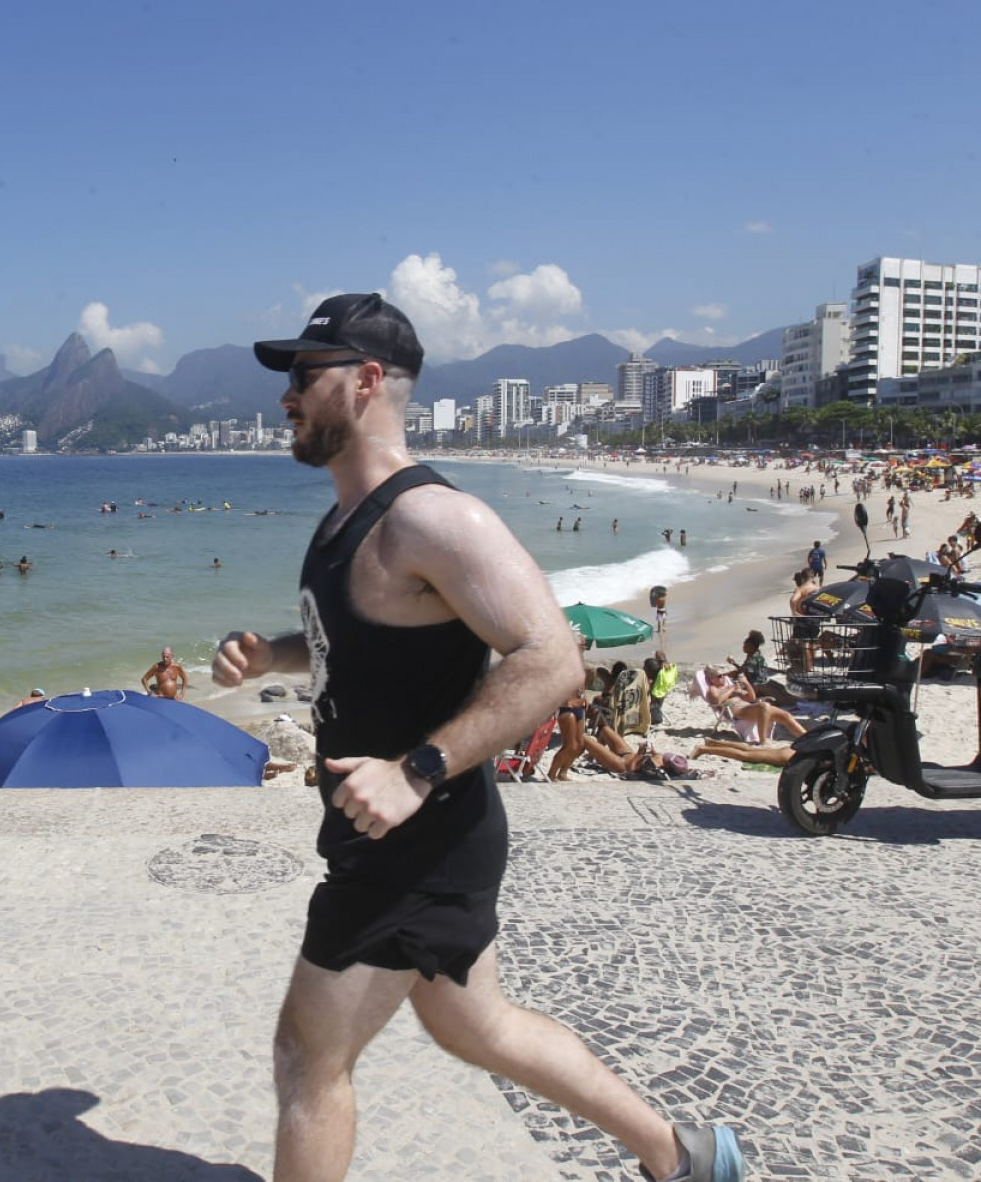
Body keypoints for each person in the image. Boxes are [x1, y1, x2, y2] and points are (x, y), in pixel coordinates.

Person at [212, 294, 743, 1182]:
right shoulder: (349, 518)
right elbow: (369, 639)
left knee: (310, 1057)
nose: (287, 396)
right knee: (475, 1025)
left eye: (306, 375)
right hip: (406, 836)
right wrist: (273, 649)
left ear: (368, 380)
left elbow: (553, 657)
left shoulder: (433, 518)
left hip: (414, 844)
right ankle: (680, 1154)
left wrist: (417, 771)